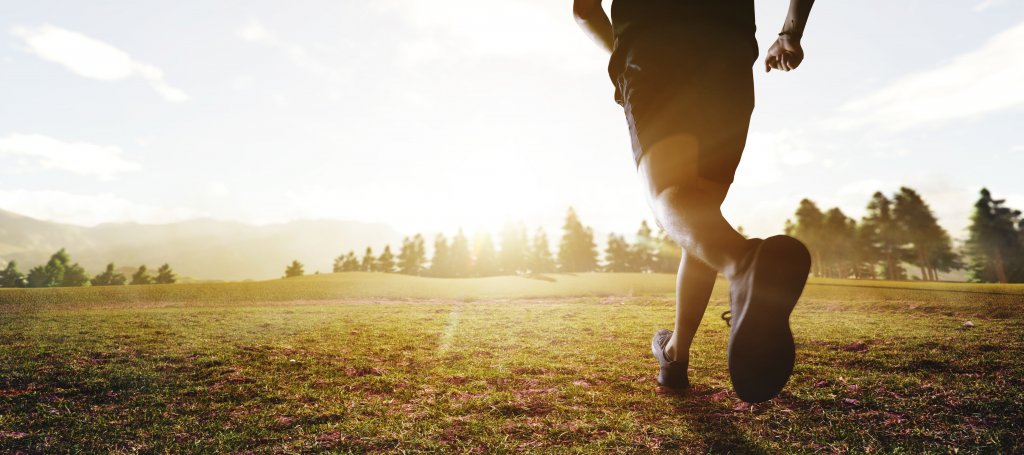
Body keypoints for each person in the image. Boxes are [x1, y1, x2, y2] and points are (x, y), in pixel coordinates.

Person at [573, 0, 815, 403]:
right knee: (700, 213)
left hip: (653, 47)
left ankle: (743, 262)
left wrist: (621, 53)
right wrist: (790, 33)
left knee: (666, 194)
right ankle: (675, 355)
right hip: (729, 56)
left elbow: (584, 10)